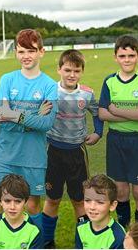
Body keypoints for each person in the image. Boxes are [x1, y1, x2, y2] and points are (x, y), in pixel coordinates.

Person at [0, 29, 58, 217]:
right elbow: (0, 117)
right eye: (21, 51)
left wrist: (14, 115)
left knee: (32, 208)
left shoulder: (50, 85)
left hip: (33, 157)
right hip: (6, 155)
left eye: (31, 50)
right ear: (16, 53)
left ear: (41, 52)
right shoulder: (7, 80)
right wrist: (33, 114)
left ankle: (34, 245)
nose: (26, 56)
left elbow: (47, 123)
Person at [42, 49, 103, 246]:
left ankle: (82, 242)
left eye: (76, 71)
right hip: (52, 151)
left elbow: (96, 112)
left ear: (82, 71)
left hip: (77, 152)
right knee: (52, 199)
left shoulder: (86, 93)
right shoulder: (50, 91)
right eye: (67, 70)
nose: (71, 75)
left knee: (79, 200)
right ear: (59, 69)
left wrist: (98, 132)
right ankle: (47, 242)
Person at [98, 35, 138, 228]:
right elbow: (102, 113)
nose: (127, 60)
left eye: (131, 55)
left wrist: (116, 110)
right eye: (122, 56)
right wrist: (132, 114)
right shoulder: (109, 81)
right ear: (116, 57)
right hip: (115, 140)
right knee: (121, 191)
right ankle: (123, 230)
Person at [0, 174, 45, 249]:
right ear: (0, 201)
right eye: (7, 201)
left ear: (25, 202)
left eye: (18, 201)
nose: (12, 207)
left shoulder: (35, 230)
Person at [75, 174, 125, 249]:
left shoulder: (118, 236)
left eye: (100, 202)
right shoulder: (81, 228)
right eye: (88, 200)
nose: (92, 207)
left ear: (112, 206)